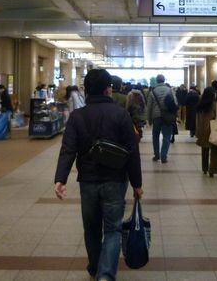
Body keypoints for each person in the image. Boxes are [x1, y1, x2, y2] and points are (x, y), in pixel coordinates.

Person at [54, 69, 143, 281]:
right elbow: (132, 152)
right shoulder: (121, 115)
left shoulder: (77, 116)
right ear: (107, 89)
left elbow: (68, 149)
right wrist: (137, 184)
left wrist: (60, 179)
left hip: (88, 181)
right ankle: (105, 275)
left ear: (87, 90)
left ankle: (95, 267)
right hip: (115, 180)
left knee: (91, 229)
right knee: (112, 229)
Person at [196, 87, 217, 177]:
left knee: (204, 150)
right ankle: (212, 169)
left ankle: (205, 168)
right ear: (213, 95)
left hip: (203, 131)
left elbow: (197, 120)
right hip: (214, 129)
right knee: (216, 151)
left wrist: (197, 131)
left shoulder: (200, 105)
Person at [147, 74, 177, 163]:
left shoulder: (153, 92)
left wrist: (149, 119)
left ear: (157, 81)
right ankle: (163, 156)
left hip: (156, 117)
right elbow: (175, 103)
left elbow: (149, 107)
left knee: (155, 136)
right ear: (164, 80)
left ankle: (156, 155)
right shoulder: (170, 90)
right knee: (167, 137)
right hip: (167, 117)